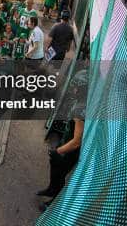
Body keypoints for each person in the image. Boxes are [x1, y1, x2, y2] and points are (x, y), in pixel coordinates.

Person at [37, 71, 86, 211]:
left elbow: (77, 141)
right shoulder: (81, 102)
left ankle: (53, 203)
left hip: (70, 151)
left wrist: (58, 151)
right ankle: (51, 189)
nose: (74, 89)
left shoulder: (81, 110)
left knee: (60, 174)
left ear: (82, 89)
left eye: (76, 87)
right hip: (65, 142)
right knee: (54, 165)